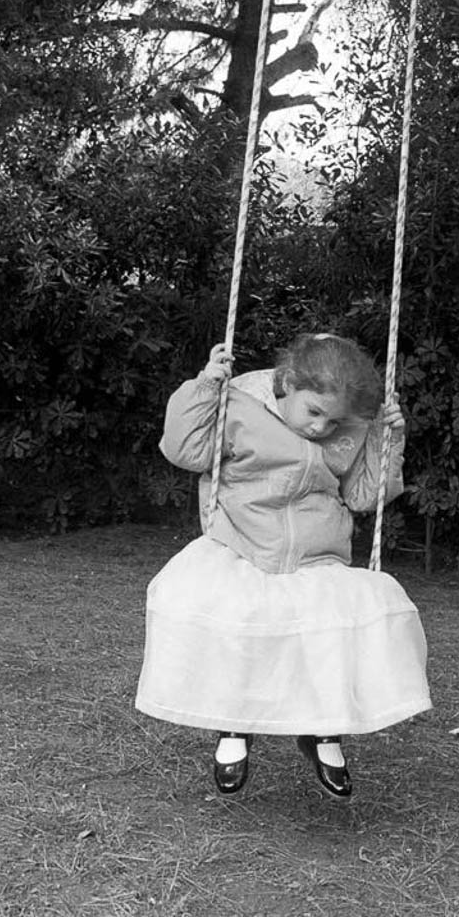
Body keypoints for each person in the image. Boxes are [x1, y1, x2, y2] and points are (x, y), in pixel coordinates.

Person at [135, 332, 431, 800]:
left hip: (318, 555)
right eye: (313, 412)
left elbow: (363, 496)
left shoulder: (348, 431)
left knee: (335, 628)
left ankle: (323, 731)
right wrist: (205, 386)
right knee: (229, 613)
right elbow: (184, 450)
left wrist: (386, 439)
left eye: (333, 421)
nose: (320, 428)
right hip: (243, 544)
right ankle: (234, 725)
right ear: (289, 383)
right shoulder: (240, 408)